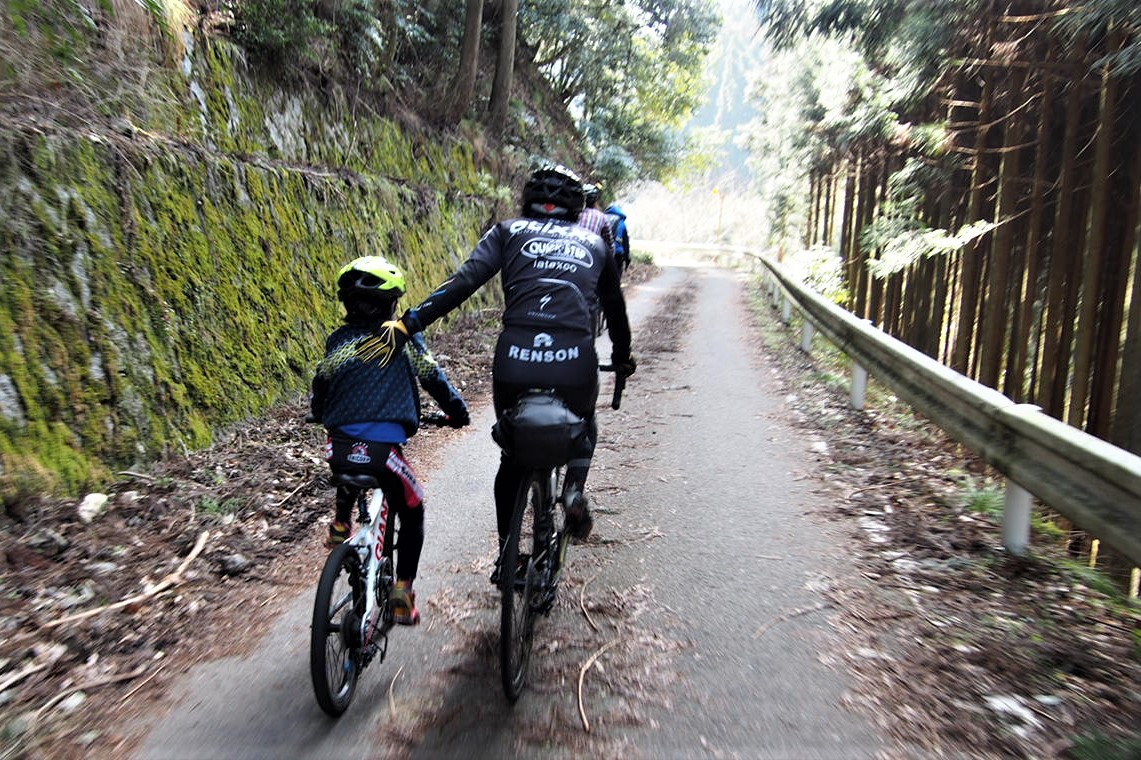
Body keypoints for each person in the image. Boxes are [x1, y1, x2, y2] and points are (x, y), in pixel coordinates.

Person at [373, 163, 636, 577]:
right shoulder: (595, 243)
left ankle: (508, 556)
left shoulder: (508, 232)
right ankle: (572, 492)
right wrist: (622, 355)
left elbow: (462, 283)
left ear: (527, 200)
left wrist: (408, 324)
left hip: (515, 361)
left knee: (511, 456)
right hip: (575, 363)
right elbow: (615, 308)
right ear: (576, 207)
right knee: (585, 423)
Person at [310, 255, 470, 625]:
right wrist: (457, 412)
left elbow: (321, 382)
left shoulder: (337, 341)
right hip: (384, 453)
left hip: (338, 447)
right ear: (392, 303)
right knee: (413, 509)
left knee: (350, 462)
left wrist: (318, 411)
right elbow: (432, 377)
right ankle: (402, 592)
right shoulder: (403, 338)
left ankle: (340, 526)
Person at [578, 182, 616, 258]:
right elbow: (609, 243)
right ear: (595, 200)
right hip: (592, 255)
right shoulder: (602, 217)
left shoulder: (574, 213)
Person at [604, 202, 631, 274]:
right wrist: (627, 259)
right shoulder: (622, 223)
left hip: (604, 252)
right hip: (617, 253)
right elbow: (626, 244)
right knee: (616, 275)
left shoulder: (603, 218)